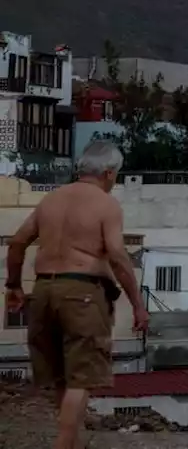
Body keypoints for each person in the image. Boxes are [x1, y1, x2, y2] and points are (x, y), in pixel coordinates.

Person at [3, 141, 149, 449]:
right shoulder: (106, 204)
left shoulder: (51, 200)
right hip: (81, 292)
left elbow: (17, 243)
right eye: (116, 175)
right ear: (109, 173)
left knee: (61, 378)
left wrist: (14, 286)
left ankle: (71, 441)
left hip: (42, 291)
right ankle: (64, 445)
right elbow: (117, 255)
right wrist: (138, 304)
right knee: (82, 379)